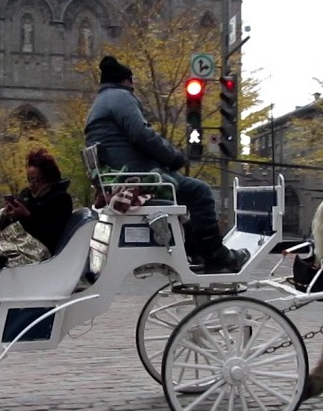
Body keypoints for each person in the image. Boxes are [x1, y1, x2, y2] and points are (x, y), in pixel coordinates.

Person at [84, 55, 249, 273]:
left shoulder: (99, 103)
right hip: (138, 176)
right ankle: (216, 256)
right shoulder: (121, 98)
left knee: (186, 200)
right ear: (127, 80)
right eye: (132, 82)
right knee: (200, 192)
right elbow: (142, 134)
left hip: (119, 176)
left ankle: (195, 250)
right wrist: (173, 157)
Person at [0, 149, 73, 340]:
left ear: (48, 177)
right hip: (11, 249)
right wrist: (10, 214)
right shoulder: (27, 195)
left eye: (36, 180)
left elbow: (48, 234)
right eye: (29, 180)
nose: (32, 185)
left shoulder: (60, 199)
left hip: (28, 254)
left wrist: (26, 217)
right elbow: (13, 228)